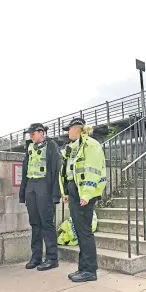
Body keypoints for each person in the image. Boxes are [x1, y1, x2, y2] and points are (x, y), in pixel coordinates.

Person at [59, 118, 107, 282]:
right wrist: (66, 191)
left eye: (69, 129)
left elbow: (92, 172)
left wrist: (86, 195)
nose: (67, 132)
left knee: (85, 232)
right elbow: (69, 172)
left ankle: (89, 271)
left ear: (78, 129)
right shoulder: (74, 147)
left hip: (84, 194)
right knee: (79, 232)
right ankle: (83, 267)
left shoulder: (91, 145)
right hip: (75, 193)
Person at [19, 123, 62, 271]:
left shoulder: (51, 146)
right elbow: (25, 170)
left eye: (33, 133)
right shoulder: (30, 147)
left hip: (44, 185)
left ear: (41, 132)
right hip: (31, 186)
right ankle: (36, 257)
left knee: (47, 223)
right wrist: (23, 192)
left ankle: (52, 258)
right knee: (35, 223)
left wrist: (56, 194)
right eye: (29, 133)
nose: (30, 136)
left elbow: (57, 170)